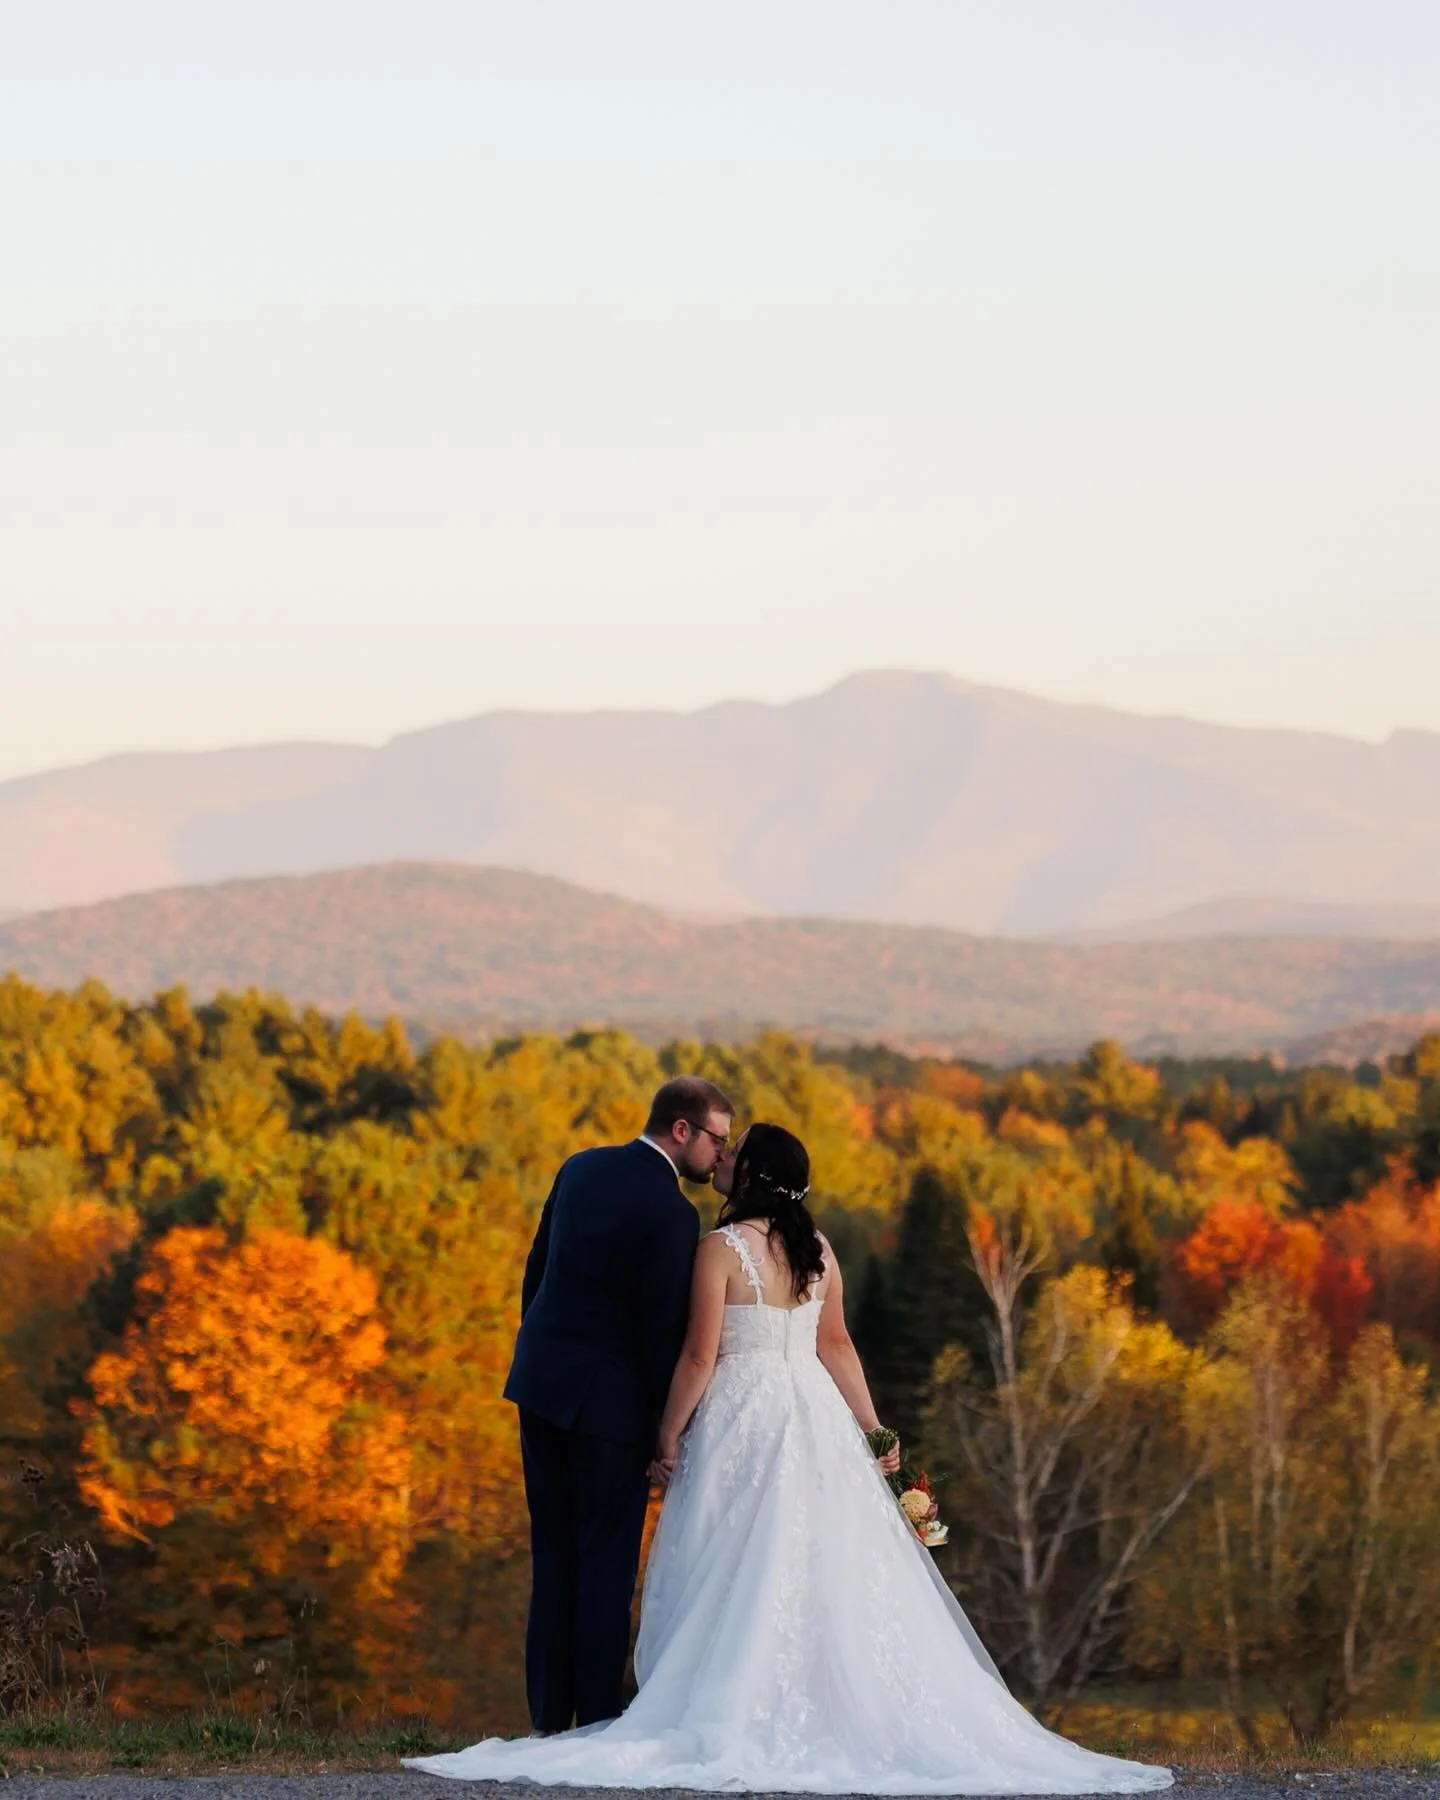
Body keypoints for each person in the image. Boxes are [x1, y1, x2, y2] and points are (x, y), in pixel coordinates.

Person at [407, 1124, 1172, 1794]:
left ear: (753, 1175)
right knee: (815, 1562)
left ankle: (723, 1700)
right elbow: (836, 1345)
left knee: (730, 1560)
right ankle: (821, 1700)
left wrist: (667, 1434)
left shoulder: (719, 1248)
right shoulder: (821, 1251)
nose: (723, 1160)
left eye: (734, 1154)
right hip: (812, 1416)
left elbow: (700, 1356)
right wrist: (875, 1435)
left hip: (741, 1417)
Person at [499, 1074, 735, 1735]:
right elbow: (662, 1332)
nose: (720, 1156)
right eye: (717, 1139)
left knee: (554, 1557)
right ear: (681, 1130)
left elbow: (537, 1273)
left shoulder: (581, 1168)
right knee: (605, 1565)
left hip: (541, 1388)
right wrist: (668, 1430)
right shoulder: (670, 1212)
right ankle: (596, 1721)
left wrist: (541, 1355)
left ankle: (548, 1720)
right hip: (612, 1412)